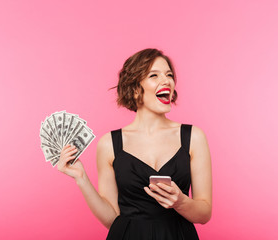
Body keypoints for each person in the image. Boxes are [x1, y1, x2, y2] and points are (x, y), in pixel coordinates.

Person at [57, 48, 212, 239]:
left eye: (169, 75)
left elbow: (204, 214)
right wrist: (81, 178)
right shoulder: (109, 144)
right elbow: (111, 218)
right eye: (154, 75)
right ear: (135, 88)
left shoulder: (193, 137)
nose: (167, 81)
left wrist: (180, 202)